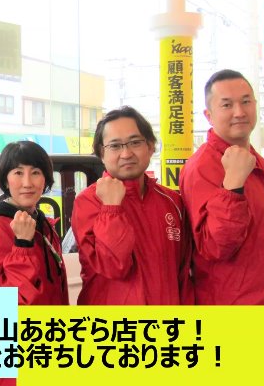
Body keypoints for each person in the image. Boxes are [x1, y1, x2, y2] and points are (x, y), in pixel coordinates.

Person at [179, 69, 264, 305]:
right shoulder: (202, 166)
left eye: (246, 102)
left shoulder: (253, 159)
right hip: (232, 306)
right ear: (209, 115)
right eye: (227, 105)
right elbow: (215, 246)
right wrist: (233, 188)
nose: (239, 112)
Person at [0, 140, 69, 386]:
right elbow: (7, 306)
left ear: (45, 179)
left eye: (35, 172)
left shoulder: (41, 224)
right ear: (5, 180)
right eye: (18, 172)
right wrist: (22, 245)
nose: (27, 182)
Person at [72, 105, 193, 305]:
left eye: (135, 142)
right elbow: (113, 267)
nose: (126, 153)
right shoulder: (88, 202)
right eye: (115, 146)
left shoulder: (172, 201)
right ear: (101, 153)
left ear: (151, 147)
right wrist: (111, 209)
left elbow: (183, 274)